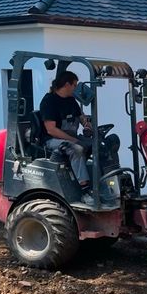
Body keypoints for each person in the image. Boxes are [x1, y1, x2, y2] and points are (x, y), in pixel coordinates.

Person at [40, 71, 93, 201]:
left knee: (95, 145)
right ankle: (85, 190)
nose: (76, 88)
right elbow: (51, 130)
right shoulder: (49, 102)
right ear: (67, 84)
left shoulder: (71, 100)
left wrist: (86, 123)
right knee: (76, 149)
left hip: (70, 137)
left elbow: (80, 116)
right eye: (75, 85)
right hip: (52, 140)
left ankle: (92, 178)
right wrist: (73, 140)